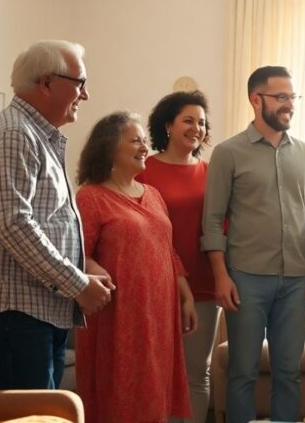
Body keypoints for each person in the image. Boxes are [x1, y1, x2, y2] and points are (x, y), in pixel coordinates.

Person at [0, 40, 113, 390]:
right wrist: (77, 284)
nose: (85, 96)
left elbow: (42, 223)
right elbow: (14, 225)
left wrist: (82, 271)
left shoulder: (35, 135)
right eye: (80, 84)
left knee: (43, 414)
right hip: (13, 316)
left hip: (34, 314)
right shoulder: (14, 134)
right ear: (46, 83)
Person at [202, 65, 305, 423]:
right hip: (245, 279)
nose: (290, 104)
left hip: (295, 282)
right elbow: (212, 221)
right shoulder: (228, 153)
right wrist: (221, 277)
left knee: (289, 372)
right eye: (281, 97)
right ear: (256, 100)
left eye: (293, 97)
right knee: (243, 371)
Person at [75, 111, 197, 423]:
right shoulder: (90, 196)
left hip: (159, 314)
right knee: (120, 396)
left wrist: (185, 295)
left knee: (155, 394)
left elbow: (166, 249)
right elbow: (77, 255)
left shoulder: (153, 195)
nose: (145, 147)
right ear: (110, 147)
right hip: (119, 316)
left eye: (145, 140)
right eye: (135, 141)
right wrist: (91, 266)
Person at [137, 90, 220, 423]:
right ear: (168, 125)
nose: (196, 128)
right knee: (158, 372)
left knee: (197, 373)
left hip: (203, 281)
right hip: (156, 283)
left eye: (201, 122)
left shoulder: (211, 172)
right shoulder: (144, 170)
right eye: (188, 120)